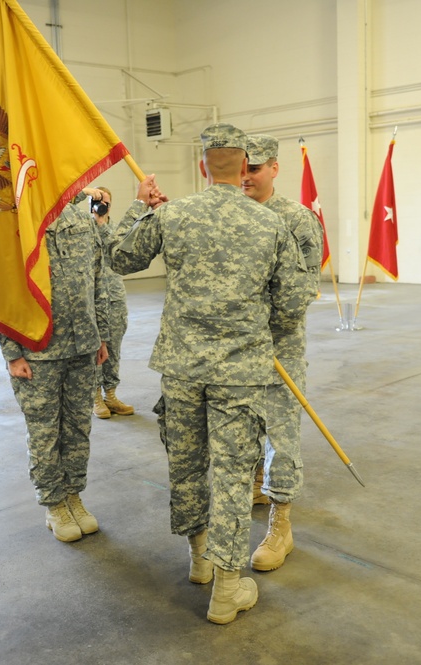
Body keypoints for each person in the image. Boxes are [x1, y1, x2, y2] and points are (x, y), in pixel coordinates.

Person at [111, 124, 313, 624]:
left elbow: (119, 257)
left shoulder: (173, 213)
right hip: (238, 371)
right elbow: (292, 301)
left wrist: (141, 205)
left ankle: (199, 557)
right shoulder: (269, 225)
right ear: (244, 166)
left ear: (204, 166)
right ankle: (226, 586)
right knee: (232, 472)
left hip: (180, 368)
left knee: (185, 462)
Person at [0, 186, 109, 543]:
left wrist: (101, 334)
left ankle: (74, 494)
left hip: (82, 344)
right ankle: (54, 504)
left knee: (77, 429)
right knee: (45, 433)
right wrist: (11, 352)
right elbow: (1, 288)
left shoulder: (81, 216)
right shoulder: (17, 218)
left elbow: (97, 278)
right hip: (37, 348)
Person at [242, 134, 323, 572]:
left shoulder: (297, 219)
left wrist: (251, 312)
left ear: (274, 167)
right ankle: (255, 487)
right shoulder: (227, 216)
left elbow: (304, 288)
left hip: (277, 347)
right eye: (240, 169)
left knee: (281, 435)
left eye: (253, 168)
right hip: (233, 350)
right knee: (241, 429)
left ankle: (281, 525)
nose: (245, 177)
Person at [89, 185, 136, 419]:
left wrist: (103, 222)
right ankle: (96, 396)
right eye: (97, 201)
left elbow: (118, 250)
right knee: (95, 349)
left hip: (114, 297)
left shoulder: (115, 230)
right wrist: (95, 222)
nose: (100, 206)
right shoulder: (82, 229)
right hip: (92, 299)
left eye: (105, 202)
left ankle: (111, 394)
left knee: (114, 348)